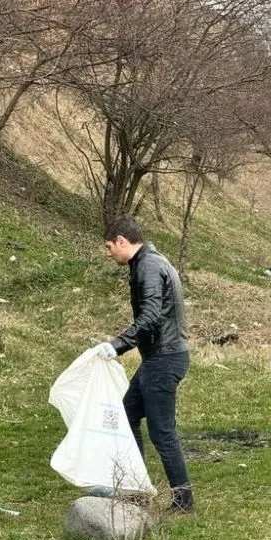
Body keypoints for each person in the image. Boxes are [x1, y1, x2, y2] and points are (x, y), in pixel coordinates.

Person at [96, 217, 195, 513]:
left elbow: (150, 317)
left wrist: (117, 345)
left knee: (162, 431)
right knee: (127, 413)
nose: (109, 252)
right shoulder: (150, 261)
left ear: (122, 241)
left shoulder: (148, 266)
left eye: (109, 246)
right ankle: (137, 488)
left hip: (165, 358)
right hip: (160, 357)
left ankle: (183, 501)